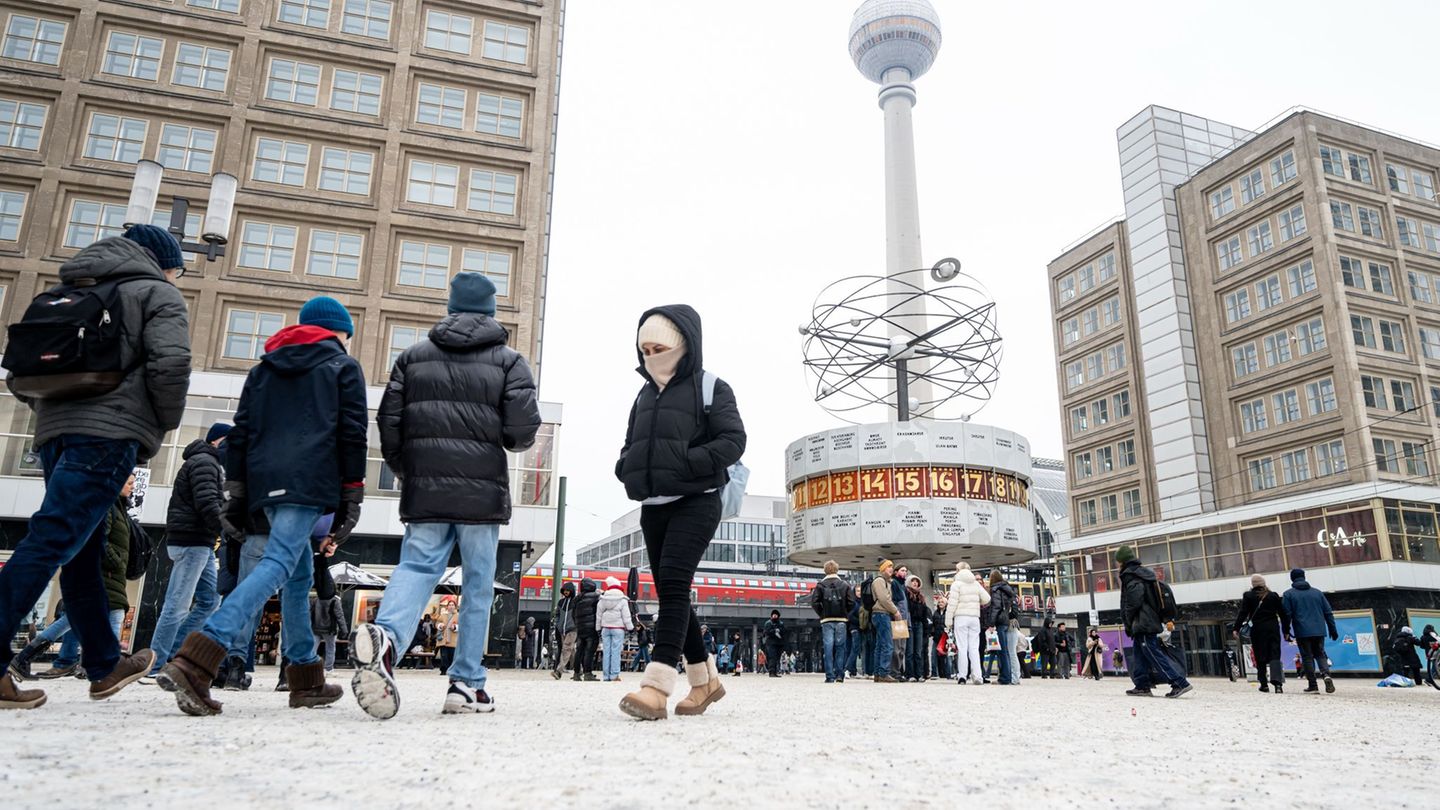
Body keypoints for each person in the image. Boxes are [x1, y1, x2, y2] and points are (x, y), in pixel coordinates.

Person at [0, 225, 191, 710]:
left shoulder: (63, 292)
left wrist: (57, 407)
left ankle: (105, 666)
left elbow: (20, 373)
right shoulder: (157, 294)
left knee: (82, 549)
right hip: (109, 434)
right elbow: (171, 365)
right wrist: (156, 424)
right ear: (163, 263)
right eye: (177, 270)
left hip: (54, 434)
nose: (177, 279)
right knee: (54, 538)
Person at [159, 295, 365, 716]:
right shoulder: (342, 366)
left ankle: (305, 676)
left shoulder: (264, 369)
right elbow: (352, 432)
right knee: (279, 563)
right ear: (338, 332)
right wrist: (352, 491)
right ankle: (197, 657)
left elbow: (242, 432)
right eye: (347, 334)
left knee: (298, 573)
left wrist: (237, 490)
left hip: (264, 483)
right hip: (309, 479)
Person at [350, 273, 540, 716]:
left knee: (417, 566)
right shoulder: (510, 361)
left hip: (426, 487)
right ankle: (466, 684)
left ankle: (387, 638)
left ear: (450, 308)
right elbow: (521, 431)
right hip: (481, 491)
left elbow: (389, 424)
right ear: (491, 310)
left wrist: (409, 471)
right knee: (478, 586)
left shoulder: (412, 357)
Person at [614, 306, 746, 721]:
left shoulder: (711, 387)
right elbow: (630, 442)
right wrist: (626, 467)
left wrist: (687, 463)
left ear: (683, 345)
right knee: (673, 591)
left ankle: (656, 688)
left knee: (672, 584)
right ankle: (705, 682)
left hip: (697, 500)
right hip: (653, 506)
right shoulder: (643, 394)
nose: (652, 356)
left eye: (660, 348)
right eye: (646, 350)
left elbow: (733, 440)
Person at [11, 475, 138, 680]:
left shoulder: (117, 506)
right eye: (129, 483)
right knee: (112, 616)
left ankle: (24, 657)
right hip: (102, 573)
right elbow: (98, 539)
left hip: (108, 574)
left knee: (73, 619)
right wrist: (116, 561)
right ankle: (107, 669)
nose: (133, 487)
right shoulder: (107, 506)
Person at [148, 423, 229, 677]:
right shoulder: (205, 462)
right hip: (191, 540)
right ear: (217, 441)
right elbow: (207, 502)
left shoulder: (210, 463)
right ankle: (156, 664)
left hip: (201, 541)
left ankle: (174, 654)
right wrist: (229, 530)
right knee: (177, 605)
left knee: (210, 600)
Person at [1116, 545, 1192, 699]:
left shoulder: (1132, 575)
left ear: (1122, 561)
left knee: (1153, 654)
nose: (1116, 565)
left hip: (1143, 622)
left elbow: (1133, 601)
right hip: (1147, 620)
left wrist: (1128, 619)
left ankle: (1179, 682)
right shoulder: (1143, 573)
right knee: (1139, 654)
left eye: (1117, 561)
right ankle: (1142, 685)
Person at [1281, 567, 1338, 694]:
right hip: (1319, 630)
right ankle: (1326, 675)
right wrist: (1332, 629)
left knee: (1307, 657)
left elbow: (1286, 615)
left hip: (1302, 631)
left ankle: (1313, 685)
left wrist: (1286, 631)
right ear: (1304, 577)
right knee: (1320, 654)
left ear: (1292, 579)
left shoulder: (1288, 594)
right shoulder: (1317, 593)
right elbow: (1328, 612)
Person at [1231, 574, 1288, 694]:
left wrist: (1236, 628)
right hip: (1273, 628)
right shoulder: (1273, 595)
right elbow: (1283, 614)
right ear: (1264, 583)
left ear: (1253, 584)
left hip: (1258, 629)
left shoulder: (1248, 596)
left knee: (1260, 655)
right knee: (1275, 654)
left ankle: (1264, 684)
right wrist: (1286, 631)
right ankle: (1278, 684)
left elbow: (1243, 613)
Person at [944, 561, 990, 685]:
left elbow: (952, 604)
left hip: (961, 617)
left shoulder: (956, 584)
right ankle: (978, 676)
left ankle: (962, 676)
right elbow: (987, 598)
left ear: (958, 570)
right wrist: (976, 603)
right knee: (974, 648)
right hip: (974, 618)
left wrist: (948, 621)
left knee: (962, 647)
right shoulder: (975, 584)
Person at [810, 560, 853, 684]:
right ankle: (839, 674)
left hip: (827, 620)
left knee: (828, 647)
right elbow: (851, 602)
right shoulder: (844, 584)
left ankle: (829, 676)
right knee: (840, 647)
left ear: (825, 570)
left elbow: (814, 602)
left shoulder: (820, 585)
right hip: (841, 620)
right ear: (837, 570)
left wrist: (822, 614)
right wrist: (845, 612)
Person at [596, 576, 634, 682]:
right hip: (618, 628)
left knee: (606, 652)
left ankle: (606, 676)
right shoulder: (622, 600)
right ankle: (614, 675)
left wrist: (598, 628)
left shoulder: (603, 599)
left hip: (605, 628)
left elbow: (598, 615)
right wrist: (630, 628)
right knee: (616, 652)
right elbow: (626, 616)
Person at [870, 560, 901, 683]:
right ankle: (884, 673)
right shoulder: (879, 581)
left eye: (892, 567)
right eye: (888, 567)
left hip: (881, 614)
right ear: (883, 569)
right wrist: (895, 611)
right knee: (887, 645)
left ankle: (878, 673)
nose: (891, 569)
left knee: (880, 645)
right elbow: (884, 599)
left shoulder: (886, 581)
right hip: (882, 614)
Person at [987, 570, 1020, 685]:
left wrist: (991, 623)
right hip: (1006, 621)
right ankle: (1008, 677)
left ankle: (1005, 678)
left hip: (1000, 622)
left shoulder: (995, 589)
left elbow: (996, 607)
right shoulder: (1008, 589)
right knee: (1005, 651)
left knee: (1002, 651)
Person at [309, 584, 348, 672]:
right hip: (330, 629)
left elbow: (310, 613)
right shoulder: (335, 601)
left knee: (313, 648)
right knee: (330, 648)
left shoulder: (315, 600)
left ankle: (310, 666)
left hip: (315, 628)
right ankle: (328, 668)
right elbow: (340, 616)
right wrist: (344, 630)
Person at [572, 578, 600, 681]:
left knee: (579, 650)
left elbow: (573, 614)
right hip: (591, 628)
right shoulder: (596, 597)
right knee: (589, 651)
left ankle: (576, 673)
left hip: (580, 628)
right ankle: (588, 673)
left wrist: (578, 624)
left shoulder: (577, 598)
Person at [904, 575, 931, 681]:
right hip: (910, 623)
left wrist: (926, 629)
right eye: (913, 581)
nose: (915, 583)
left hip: (919, 624)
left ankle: (919, 674)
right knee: (910, 651)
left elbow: (924, 614)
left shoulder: (921, 597)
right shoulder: (906, 595)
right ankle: (910, 674)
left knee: (918, 651)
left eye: (917, 581)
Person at [550, 581, 577, 680]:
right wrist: (558, 624)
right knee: (571, 650)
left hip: (572, 629)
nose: (566, 592)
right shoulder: (561, 602)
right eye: (564, 590)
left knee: (566, 649)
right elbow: (557, 614)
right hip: (563, 630)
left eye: (568, 590)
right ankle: (579, 670)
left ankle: (559, 671)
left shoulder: (575, 602)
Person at [930, 591, 950, 681]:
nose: (940, 603)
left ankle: (948, 674)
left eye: (942, 602)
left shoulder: (948, 613)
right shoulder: (935, 613)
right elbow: (933, 624)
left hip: (945, 637)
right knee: (933, 655)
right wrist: (932, 632)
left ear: (946, 604)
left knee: (948, 656)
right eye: (939, 602)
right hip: (937, 637)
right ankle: (934, 673)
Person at [846, 583, 864, 678]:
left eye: (860, 591)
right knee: (855, 649)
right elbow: (850, 616)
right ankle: (847, 669)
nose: (859, 593)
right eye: (857, 591)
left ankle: (853, 671)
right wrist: (860, 622)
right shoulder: (854, 603)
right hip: (854, 628)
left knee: (854, 649)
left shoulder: (861, 602)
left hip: (857, 629)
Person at [436, 602, 458, 676]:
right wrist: (440, 625)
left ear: (455, 607)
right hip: (443, 638)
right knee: (444, 655)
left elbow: (462, 625)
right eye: (449, 605)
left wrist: (455, 627)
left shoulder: (458, 615)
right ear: (447, 606)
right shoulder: (443, 615)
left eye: (452, 605)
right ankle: (443, 670)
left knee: (451, 655)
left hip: (453, 639)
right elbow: (437, 623)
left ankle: (451, 670)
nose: (451, 606)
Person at [762, 610, 785, 678]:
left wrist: (779, 631)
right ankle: (771, 672)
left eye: (776, 615)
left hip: (779, 643)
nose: (774, 616)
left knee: (777, 658)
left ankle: (775, 672)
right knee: (772, 657)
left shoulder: (781, 623)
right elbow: (766, 632)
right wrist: (774, 631)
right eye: (773, 615)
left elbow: (784, 632)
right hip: (770, 643)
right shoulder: (768, 623)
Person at [1421, 625, 1440, 690]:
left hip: (1428, 653)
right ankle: (1429, 679)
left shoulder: (1423, 637)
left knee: (1434, 666)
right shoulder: (1434, 635)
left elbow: (1422, 646)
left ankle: (1430, 679)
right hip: (1436, 653)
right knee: (1435, 667)